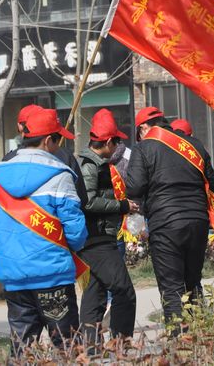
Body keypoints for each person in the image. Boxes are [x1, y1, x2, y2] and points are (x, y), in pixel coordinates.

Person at [0, 108, 88, 356]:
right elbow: (75, 231)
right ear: (48, 140)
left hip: (14, 278)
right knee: (68, 347)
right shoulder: (60, 175)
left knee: (22, 349)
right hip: (53, 276)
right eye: (58, 140)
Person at [125, 107, 214, 333]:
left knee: (172, 287)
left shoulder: (144, 148)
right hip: (198, 222)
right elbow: (212, 184)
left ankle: (179, 342)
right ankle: (200, 339)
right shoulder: (194, 145)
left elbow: (134, 187)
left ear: (144, 128)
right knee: (193, 283)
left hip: (166, 224)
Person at [76, 109, 138, 352]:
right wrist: (122, 206)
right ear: (109, 141)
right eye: (117, 142)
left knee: (95, 293)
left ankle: (91, 348)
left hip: (97, 238)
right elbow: (88, 202)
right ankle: (121, 344)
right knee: (124, 291)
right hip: (97, 240)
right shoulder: (90, 166)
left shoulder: (96, 163)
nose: (118, 147)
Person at [3, 104, 86, 204]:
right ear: (48, 140)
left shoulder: (6, 163)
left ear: (20, 127)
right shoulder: (65, 161)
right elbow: (80, 199)